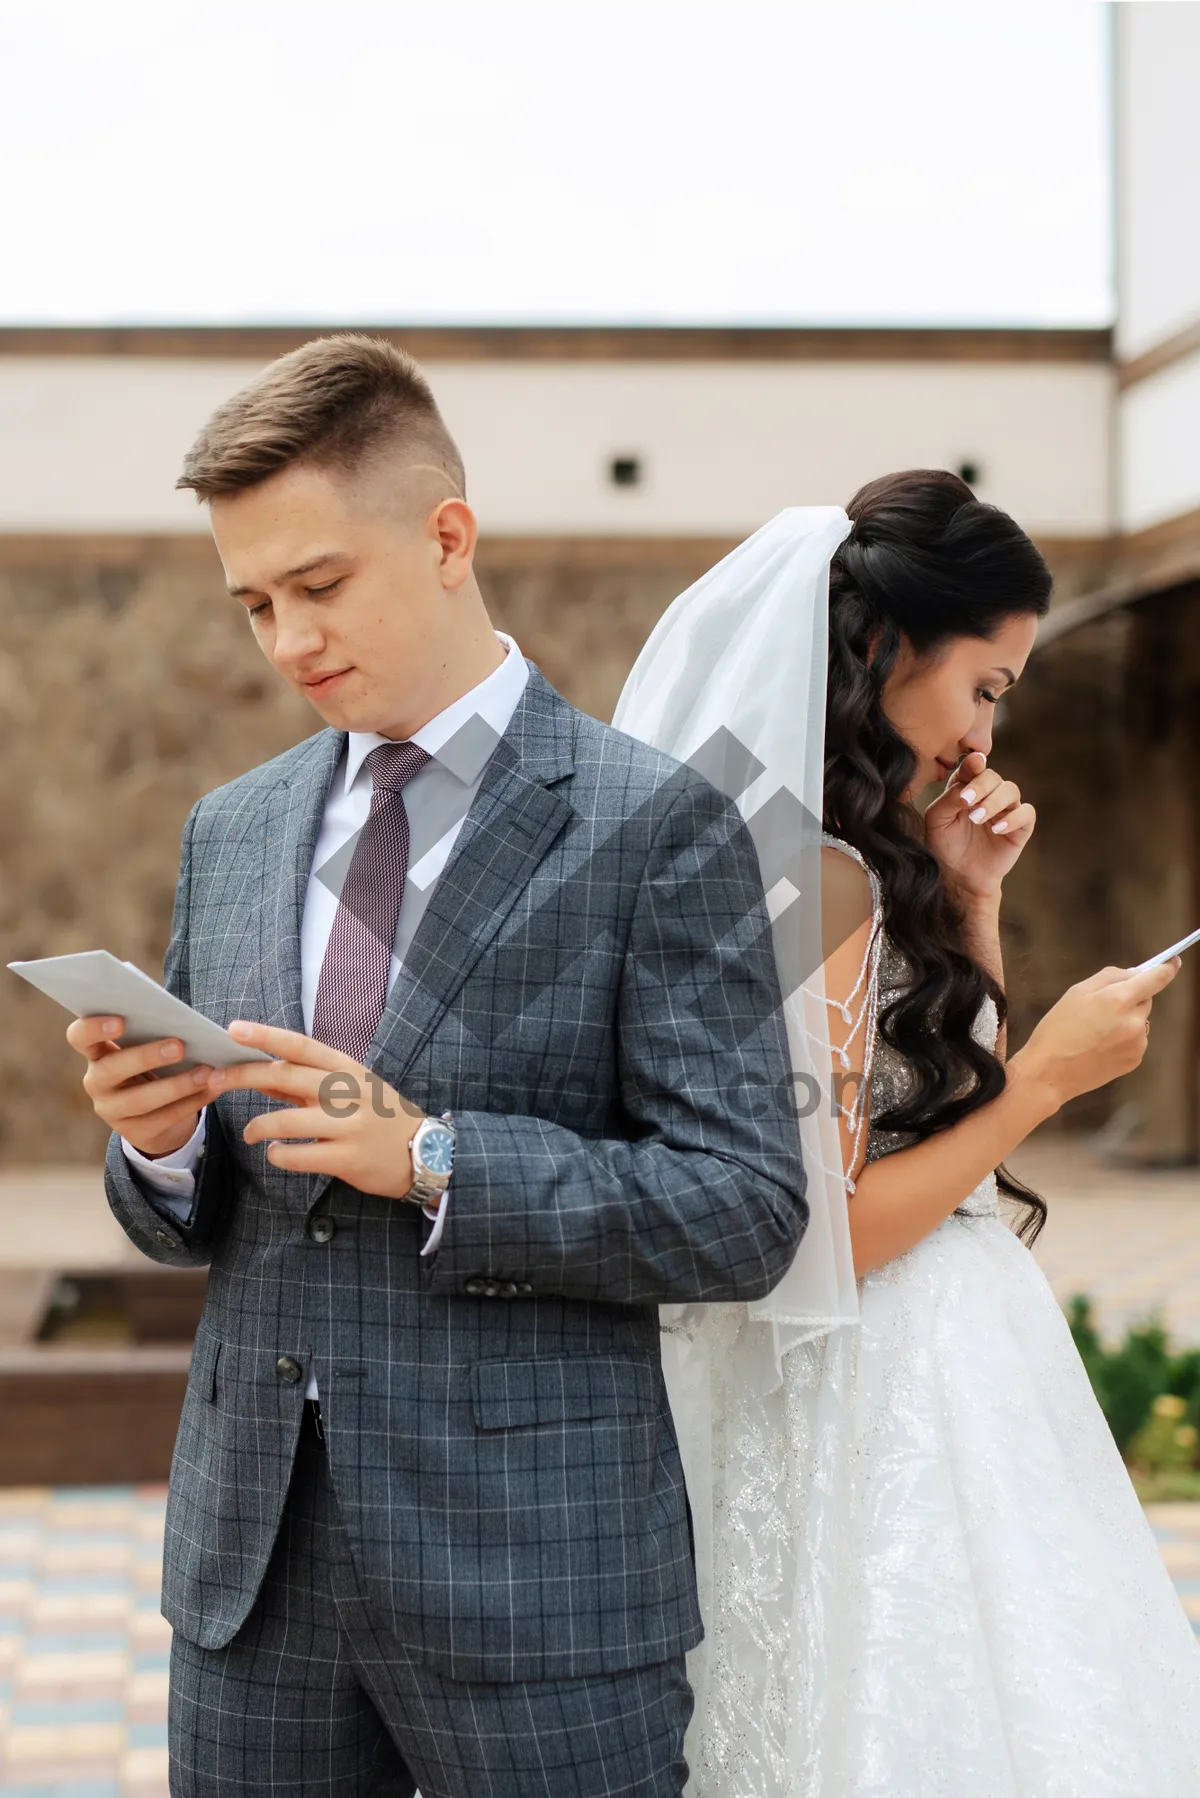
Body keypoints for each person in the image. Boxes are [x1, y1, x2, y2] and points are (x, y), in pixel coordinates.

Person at [67, 334, 811, 1797]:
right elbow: (195, 1208)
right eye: (256, 602)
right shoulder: (232, 826)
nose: (287, 640)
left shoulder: (649, 822)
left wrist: (433, 1155)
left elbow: (743, 1203)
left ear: (448, 537)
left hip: (537, 1582)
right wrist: (158, 1139)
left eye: (320, 585)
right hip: (252, 1579)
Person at [612, 472, 1200, 1797]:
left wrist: (972, 897)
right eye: (985, 687)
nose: (992, 732)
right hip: (873, 1381)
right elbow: (828, 1231)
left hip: (889, 1357)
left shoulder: (839, 861)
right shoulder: (817, 879)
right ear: (880, 648)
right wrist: (1048, 1077)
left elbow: (939, 1118)